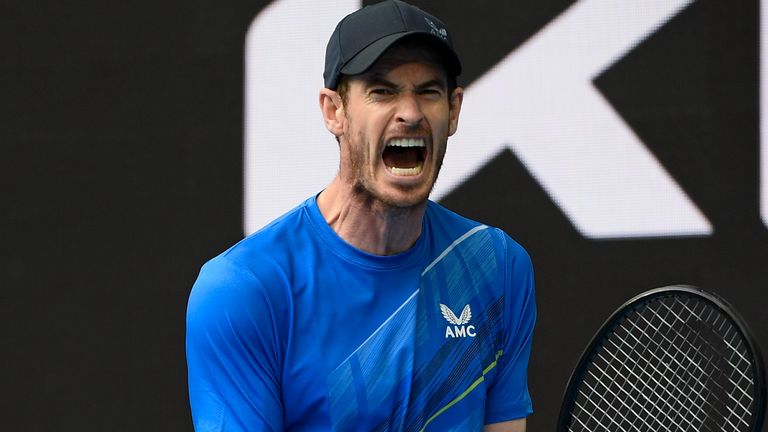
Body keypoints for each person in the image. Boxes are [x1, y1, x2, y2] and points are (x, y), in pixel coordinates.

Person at [186, 1, 536, 431]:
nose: (410, 113)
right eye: (382, 91)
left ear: (454, 110)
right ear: (334, 111)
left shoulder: (496, 266)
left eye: (428, 91)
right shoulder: (244, 290)